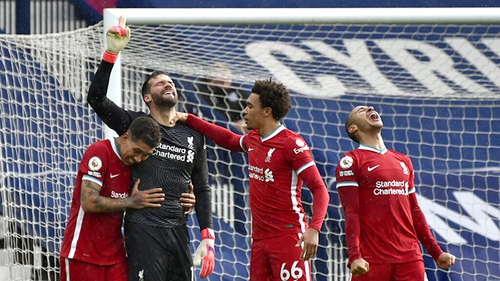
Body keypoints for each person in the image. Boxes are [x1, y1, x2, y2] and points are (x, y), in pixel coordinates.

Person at [86, 16, 215, 281]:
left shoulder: (193, 133)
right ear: (148, 97)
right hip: (144, 230)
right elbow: (96, 98)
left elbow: (201, 187)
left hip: (180, 229)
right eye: (160, 83)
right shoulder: (134, 125)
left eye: (171, 82)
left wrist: (207, 236)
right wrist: (111, 54)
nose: (168, 84)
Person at [173, 78, 330, 281]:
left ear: (267, 111)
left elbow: (320, 189)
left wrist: (314, 229)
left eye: (249, 106)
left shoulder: (292, 144)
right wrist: (189, 118)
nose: (244, 111)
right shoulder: (254, 139)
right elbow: (229, 139)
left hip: (288, 236)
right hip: (259, 239)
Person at [335, 105, 456, 280]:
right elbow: (352, 212)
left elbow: (414, 211)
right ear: (353, 128)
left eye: (370, 107)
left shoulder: (403, 161)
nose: (370, 108)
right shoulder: (351, 162)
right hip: (372, 260)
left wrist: (436, 252)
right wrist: (355, 256)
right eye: (361, 111)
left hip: (410, 258)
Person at [60, 116, 167, 281]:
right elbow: (88, 202)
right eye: (137, 151)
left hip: (115, 257)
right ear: (125, 138)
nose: (139, 159)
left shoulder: (135, 165)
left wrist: (187, 196)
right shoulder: (99, 152)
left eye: (146, 155)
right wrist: (130, 202)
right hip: (82, 254)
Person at [184, 62, 248, 134]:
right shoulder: (201, 93)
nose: (227, 83)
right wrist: (233, 125)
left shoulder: (236, 90)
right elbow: (212, 115)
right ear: (211, 80)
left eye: (228, 79)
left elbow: (248, 105)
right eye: (222, 81)